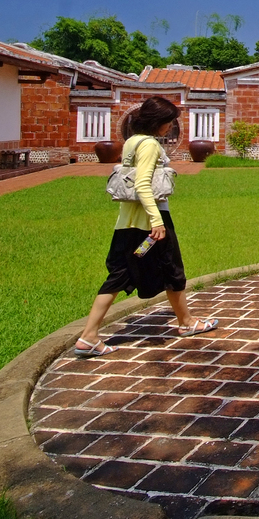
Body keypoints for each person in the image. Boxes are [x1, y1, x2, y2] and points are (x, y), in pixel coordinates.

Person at [75, 96, 217, 357]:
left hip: (127, 224)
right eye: (169, 121)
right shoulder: (150, 145)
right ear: (159, 122)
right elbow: (142, 185)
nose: (170, 126)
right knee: (172, 269)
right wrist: (156, 221)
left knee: (120, 273)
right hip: (151, 227)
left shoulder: (132, 141)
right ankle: (186, 323)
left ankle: (89, 336)